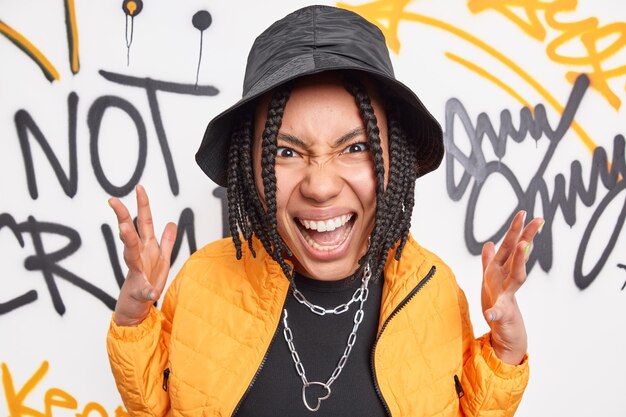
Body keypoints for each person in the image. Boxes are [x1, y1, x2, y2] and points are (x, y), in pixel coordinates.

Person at [106, 5, 543, 417]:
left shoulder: (432, 290)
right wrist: (133, 321)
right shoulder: (204, 279)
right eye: (285, 151)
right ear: (249, 167)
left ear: (395, 157)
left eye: (355, 147)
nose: (320, 185)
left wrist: (504, 353)